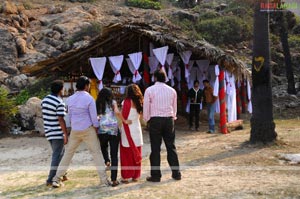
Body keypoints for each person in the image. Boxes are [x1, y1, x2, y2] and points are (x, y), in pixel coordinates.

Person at [52, 76, 107, 188]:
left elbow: (69, 116)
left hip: (75, 130)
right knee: (96, 153)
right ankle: (104, 180)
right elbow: (93, 117)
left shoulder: (70, 99)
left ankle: (56, 178)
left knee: (68, 154)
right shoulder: (89, 98)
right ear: (86, 86)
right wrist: (96, 128)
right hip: (87, 129)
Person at [143, 69, 181, 182]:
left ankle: (156, 175)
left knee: (155, 148)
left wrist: (147, 119)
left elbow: (146, 107)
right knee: (171, 147)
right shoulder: (172, 90)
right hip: (169, 120)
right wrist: (173, 117)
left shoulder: (149, 90)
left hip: (155, 120)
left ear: (155, 78)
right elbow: (174, 107)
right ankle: (176, 173)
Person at [95, 87, 131, 187]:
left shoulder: (97, 103)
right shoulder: (113, 102)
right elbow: (117, 112)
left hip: (102, 129)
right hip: (114, 130)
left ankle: (106, 160)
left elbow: (96, 116)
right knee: (114, 154)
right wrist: (124, 121)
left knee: (103, 146)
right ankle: (114, 180)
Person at [41, 80, 68, 186]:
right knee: (57, 155)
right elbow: (61, 119)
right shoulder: (59, 102)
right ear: (61, 89)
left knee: (61, 153)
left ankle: (63, 174)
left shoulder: (45, 100)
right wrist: (65, 134)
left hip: (48, 131)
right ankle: (51, 179)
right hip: (57, 132)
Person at [120, 84, 144, 183]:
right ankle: (136, 176)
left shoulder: (126, 102)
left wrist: (124, 121)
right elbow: (140, 117)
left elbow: (123, 116)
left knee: (126, 154)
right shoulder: (140, 102)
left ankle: (126, 176)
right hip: (137, 128)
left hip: (128, 129)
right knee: (136, 152)